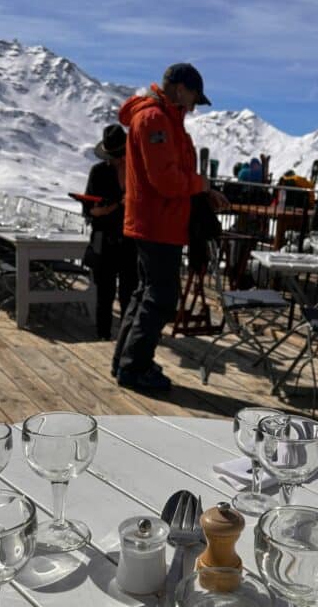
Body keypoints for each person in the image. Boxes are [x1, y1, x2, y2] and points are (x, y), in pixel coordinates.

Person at [112, 63, 227, 391]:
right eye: (193, 97)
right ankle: (134, 368)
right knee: (160, 298)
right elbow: (165, 179)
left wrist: (201, 187)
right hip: (158, 222)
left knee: (146, 294)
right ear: (179, 89)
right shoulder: (155, 119)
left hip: (157, 221)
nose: (193, 106)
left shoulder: (162, 118)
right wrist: (201, 185)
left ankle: (125, 362)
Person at [84, 124, 138, 341]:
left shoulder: (135, 173)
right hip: (105, 239)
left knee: (129, 292)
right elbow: (90, 210)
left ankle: (126, 337)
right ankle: (103, 335)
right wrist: (114, 206)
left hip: (130, 240)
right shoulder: (98, 172)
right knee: (104, 293)